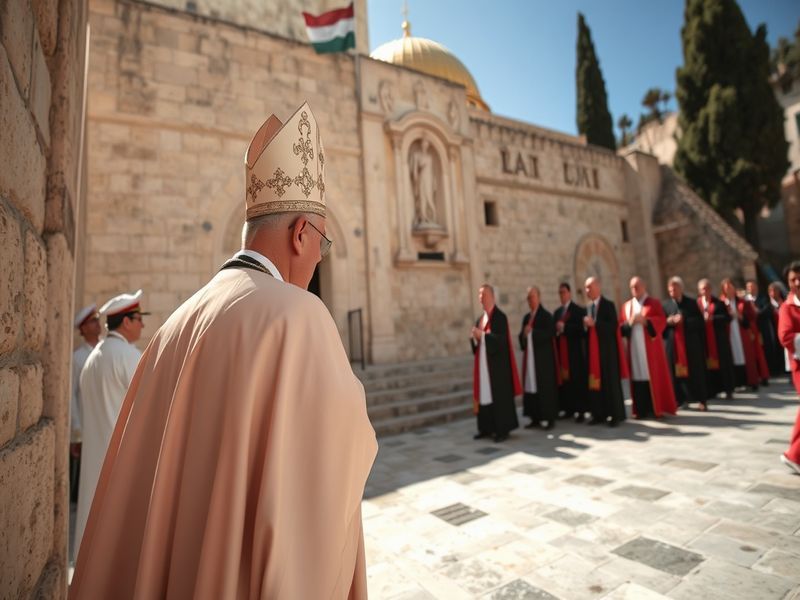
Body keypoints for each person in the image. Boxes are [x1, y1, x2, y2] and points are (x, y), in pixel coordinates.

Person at [69, 103, 378, 599]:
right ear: (302, 233)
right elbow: (335, 469)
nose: (320, 257)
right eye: (323, 242)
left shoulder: (173, 325)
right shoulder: (301, 317)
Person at [74, 291, 147, 556]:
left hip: (97, 457)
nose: (143, 325)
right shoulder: (127, 355)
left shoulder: (94, 358)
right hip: (120, 462)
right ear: (126, 322)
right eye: (139, 318)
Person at [619, 277, 678, 419]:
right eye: (632, 287)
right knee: (638, 377)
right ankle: (640, 410)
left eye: (637, 286)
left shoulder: (653, 303)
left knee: (652, 376)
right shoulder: (626, 306)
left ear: (644, 286)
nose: (634, 289)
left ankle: (656, 408)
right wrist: (630, 323)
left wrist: (646, 321)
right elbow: (621, 328)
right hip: (634, 350)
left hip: (651, 350)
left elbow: (662, 321)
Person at [471, 283, 521, 442]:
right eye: (479, 295)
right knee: (485, 397)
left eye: (483, 294)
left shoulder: (500, 317)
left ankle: (502, 430)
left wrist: (483, 336)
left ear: (492, 296)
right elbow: (478, 347)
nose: (480, 298)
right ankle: (486, 428)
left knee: (498, 398)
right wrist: (474, 339)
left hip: (497, 368)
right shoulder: (480, 319)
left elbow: (500, 341)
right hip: (484, 367)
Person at [583, 277, 627, 426]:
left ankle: (615, 415)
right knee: (596, 383)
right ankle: (598, 414)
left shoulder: (608, 305)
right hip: (594, 354)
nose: (587, 291)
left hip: (607, 352)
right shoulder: (588, 307)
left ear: (598, 287)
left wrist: (595, 324)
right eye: (586, 288)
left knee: (610, 384)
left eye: (589, 287)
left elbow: (613, 326)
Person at [69, 304, 101, 503]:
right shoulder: (78, 358)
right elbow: (71, 395)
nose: (98, 324)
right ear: (83, 329)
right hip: (88, 425)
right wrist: (77, 431)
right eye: (92, 321)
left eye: (97, 319)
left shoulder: (105, 351)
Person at [662, 277, 708, 410]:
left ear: (681, 288)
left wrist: (684, 320)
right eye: (670, 289)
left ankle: (701, 400)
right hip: (673, 346)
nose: (672, 291)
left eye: (675, 288)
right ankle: (680, 399)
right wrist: (669, 321)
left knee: (696, 372)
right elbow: (661, 325)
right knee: (675, 373)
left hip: (690, 345)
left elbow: (699, 322)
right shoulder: (666, 305)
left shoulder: (691, 303)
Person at [518, 286, 559, 430]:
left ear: (539, 297)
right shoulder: (526, 318)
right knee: (531, 388)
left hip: (543, 361)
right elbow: (521, 338)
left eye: (532, 297)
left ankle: (549, 418)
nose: (530, 300)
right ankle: (534, 417)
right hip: (530, 360)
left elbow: (550, 333)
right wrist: (524, 334)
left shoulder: (546, 316)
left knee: (545, 389)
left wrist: (533, 332)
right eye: (528, 298)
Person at [554, 283, 589, 422]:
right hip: (562, 355)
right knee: (565, 383)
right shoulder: (557, 313)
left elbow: (581, 330)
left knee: (577, 382)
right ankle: (568, 409)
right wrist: (557, 330)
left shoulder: (578, 310)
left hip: (574, 354)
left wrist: (565, 327)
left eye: (563, 292)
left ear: (569, 293)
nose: (562, 295)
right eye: (560, 293)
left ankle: (580, 410)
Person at [777, 260, 800, 475]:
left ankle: (794, 454)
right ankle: (794, 455)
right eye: (793, 280)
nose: (798, 282)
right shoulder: (787, 307)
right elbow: (785, 337)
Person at [720, 279, 762, 390]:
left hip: (742, 333)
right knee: (733, 357)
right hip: (730, 334)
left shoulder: (743, 302)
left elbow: (751, 318)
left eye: (730, 287)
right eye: (726, 288)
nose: (729, 290)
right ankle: (737, 383)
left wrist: (741, 317)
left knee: (746, 357)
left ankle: (751, 381)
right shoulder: (722, 303)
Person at [697, 279, 734, 400]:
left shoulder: (719, 303)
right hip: (704, 341)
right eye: (703, 289)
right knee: (708, 366)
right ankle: (712, 390)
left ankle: (728, 389)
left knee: (723, 364)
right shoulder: (698, 304)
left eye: (707, 288)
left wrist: (713, 318)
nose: (705, 291)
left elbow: (727, 318)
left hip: (718, 340)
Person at [747, 280, 784, 377]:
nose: (751, 289)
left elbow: (766, 311)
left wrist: (756, 312)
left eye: (753, 286)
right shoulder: (746, 301)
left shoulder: (763, 299)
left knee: (768, 349)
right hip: (752, 330)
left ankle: (773, 370)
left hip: (764, 330)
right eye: (749, 287)